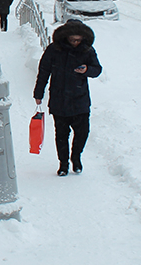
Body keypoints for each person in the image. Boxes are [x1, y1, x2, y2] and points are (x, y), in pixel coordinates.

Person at [33, 19, 102, 176]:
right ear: (66, 37)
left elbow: (97, 70)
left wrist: (87, 70)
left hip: (80, 99)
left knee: (83, 132)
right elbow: (44, 71)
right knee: (61, 135)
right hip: (59, 98)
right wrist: (38, 93)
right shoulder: (54, 49)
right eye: (72, 39)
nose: (75, 43)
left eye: (78, 40)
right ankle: (63, 164)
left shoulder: (87, 50)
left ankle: (76, 157)